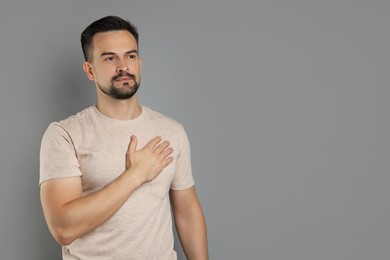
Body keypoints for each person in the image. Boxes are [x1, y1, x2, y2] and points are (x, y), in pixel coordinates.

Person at [39, 15, 208, 260]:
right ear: (89, 70)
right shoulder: (64, 134)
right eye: (109, 58)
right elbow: (63, 228)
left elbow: (186, 211)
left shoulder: (172, 131)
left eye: (130, 56)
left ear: (139, 62)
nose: (123, 66)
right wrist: (135, 175)